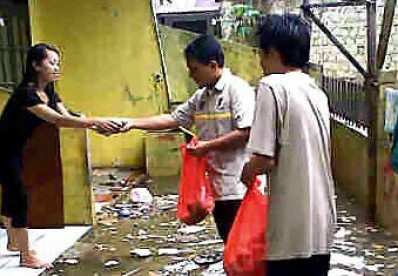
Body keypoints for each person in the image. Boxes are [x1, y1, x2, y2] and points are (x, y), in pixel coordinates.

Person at [119, 35, 255, 243]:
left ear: (212, 65)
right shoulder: (202, 96)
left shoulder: (237, 90)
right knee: (230, 247)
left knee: (244, 249)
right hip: (217, 188)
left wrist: (206, 147)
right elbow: (173, 119)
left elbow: (247, 132)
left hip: (239, 187)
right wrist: (132, 123)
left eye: (194, 69)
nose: (191, 75)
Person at [0, 43, 119, 269]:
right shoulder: (27, 94)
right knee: (19, 197)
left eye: (57, 63)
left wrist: (95, 123)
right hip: (3, 150)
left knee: (11, 195)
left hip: (16, 150)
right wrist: (94, 122)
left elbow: (67, 115)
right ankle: (26, 255)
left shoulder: (50, 93)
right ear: (36, 65)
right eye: (51, 63)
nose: (56, 68)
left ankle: (14, 243)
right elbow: (58, 120)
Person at [240, 14, 337, 276]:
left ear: (272, 52)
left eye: (260, 54)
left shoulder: (272, 86)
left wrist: (246, 173)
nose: (259, 62)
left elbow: (264, 159)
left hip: (290, 229)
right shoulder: (316, 91)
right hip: (321, 226)